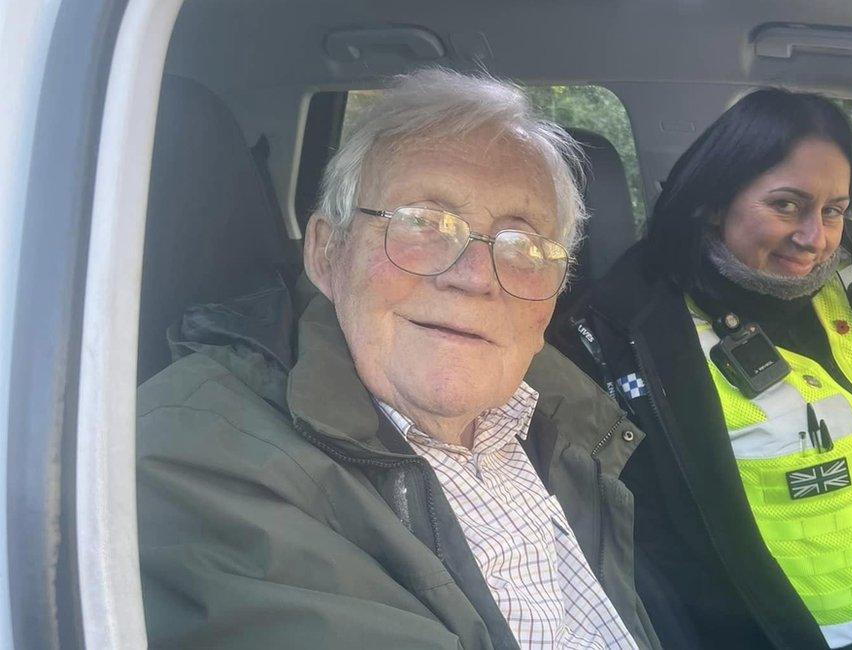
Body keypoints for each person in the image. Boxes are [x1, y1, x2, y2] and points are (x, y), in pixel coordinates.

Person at [136, 68, 664, 649]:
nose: (475, 277)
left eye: (524, 246)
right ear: (327, 253)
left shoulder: (567, 424)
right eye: (424, 223)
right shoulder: (204, 457)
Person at [552, 88, 852, 649]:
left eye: (834, 210)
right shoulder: (628, 335)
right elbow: (636, 540)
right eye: (786, 205)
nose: (815, 238)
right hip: (791, 634)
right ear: (713, 200)